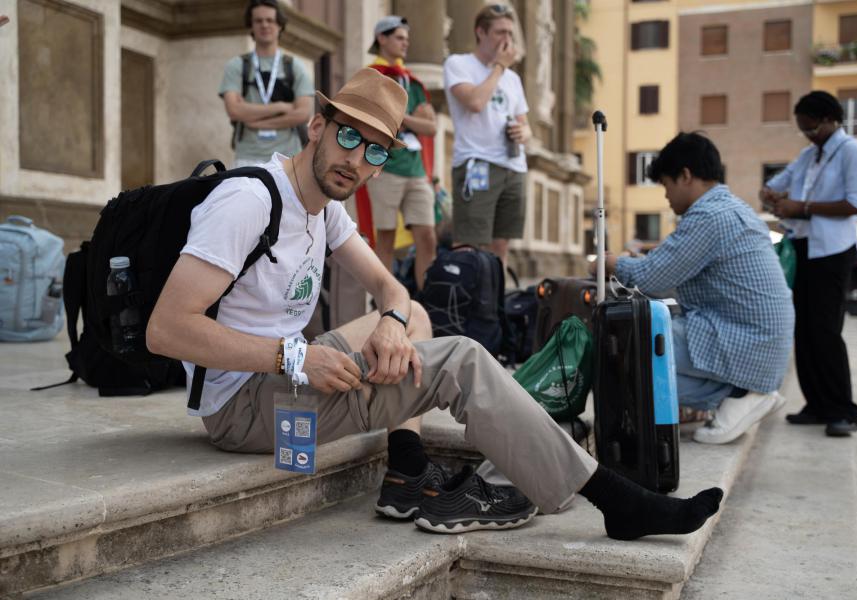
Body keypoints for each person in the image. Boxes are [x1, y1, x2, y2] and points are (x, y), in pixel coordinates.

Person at [147, 68, 722, 539]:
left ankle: (405, 469)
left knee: (415, 316)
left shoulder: (324, 207)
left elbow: (393, 289)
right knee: (461, 360)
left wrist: (393, 323)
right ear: (316, 128)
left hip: (285, 373)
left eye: (375, 151)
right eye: (348, 137)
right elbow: (166, 330)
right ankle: (616, 500)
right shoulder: (249, 201)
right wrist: (294, 360)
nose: (358, 161)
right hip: (241, 408)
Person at [605, 132, 794, 445]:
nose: (665, 196)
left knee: (625, 346)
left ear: (685, 176)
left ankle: (741, 392)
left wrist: (611, 264)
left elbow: (652, 279)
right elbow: (671, 270)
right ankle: (738, 393)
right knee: (646, 365)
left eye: (666, 185)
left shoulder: (709, 216)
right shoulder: (736, 208)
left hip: (746, 340)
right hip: (760, 342)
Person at [760, 91, 857, 437]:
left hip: (833, 251)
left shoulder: (850, 151)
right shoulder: (810, 154)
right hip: (804, 247)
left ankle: (844, 411)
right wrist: (771, 196)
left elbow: (855, 203)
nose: (808, 135)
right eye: (803, 130)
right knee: (803, 329)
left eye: (812, 129)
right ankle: (817, 405)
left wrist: (802, 208)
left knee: (826, 331)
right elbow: (776, 184)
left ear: (830, 120)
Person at [443, 4, 531, 265]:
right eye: (500, 32)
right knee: (469, 243)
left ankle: (494, 304)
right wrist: (499, 68)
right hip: (477, 163)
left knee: (501, 244)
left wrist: (523, 132)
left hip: (513, 166)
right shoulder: (458, 64)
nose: (507, 40)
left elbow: (527, 126)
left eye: (510, 34)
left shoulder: (513, 80)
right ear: (480, 32)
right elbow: (475, 102)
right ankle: (465, 303)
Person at [364, 16, 438, 292]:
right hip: (385, 167)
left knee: (428, 237)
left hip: (416, 170)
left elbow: (430, 127)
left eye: (407, 39)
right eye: (399, 37)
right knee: (385, 238)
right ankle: (385, 303)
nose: (405, 43)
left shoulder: (413, 82)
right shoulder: (371, 77)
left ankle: (427, 303)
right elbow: (372, 119)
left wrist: (401, 117)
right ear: (382, 38)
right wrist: (410, 119)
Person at [219, 0, 314, 167]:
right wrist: (281, 108)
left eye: (270, 20)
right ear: (251, 26)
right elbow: (233, 110)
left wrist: (254, 120)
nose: (264, 25)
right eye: (258, 20)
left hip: (288, 155)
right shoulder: (237, 65)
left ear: (280, 26)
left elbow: (303, 113)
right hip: (247, 156)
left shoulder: (294, 66)